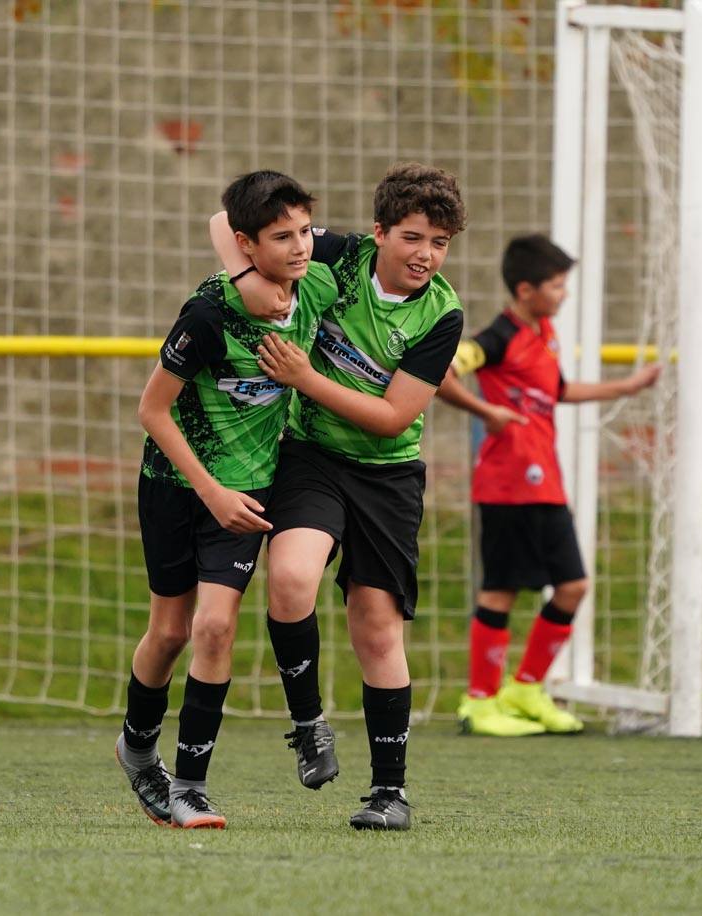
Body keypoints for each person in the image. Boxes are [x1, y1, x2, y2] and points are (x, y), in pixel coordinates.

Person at [210, 162, 466, 830]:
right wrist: (245, 280)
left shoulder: (443, 313)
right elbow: (225, 224)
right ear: (378, 232)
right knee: (290, 579)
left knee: (376, 628)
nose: (425, 255)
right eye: (413, 237)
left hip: (387, 473)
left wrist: (303, 375)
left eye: (439, 243)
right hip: (312, 457)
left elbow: (389, 417)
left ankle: (389, 793)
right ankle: (309, 725)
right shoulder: (340, 255)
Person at [116, 171, 336, 829]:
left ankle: (189, 786)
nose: (300, 247)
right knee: (169, 631)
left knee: (215, 627)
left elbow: (229, 222)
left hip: (249, 492)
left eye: (304, 232)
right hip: (176, 488)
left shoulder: (317, 283)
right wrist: (210, 492)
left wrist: (229, 495)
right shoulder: (210, 314)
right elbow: (151, 410)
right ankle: (135, 744)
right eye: (282, 237)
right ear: (248, 245)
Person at [435, 234, 660, 737]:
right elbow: (444, 373)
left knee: (574, 585)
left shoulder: (545, 332)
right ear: (525, 289)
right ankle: (479, 701)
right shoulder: (497, 337)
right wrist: (486, 410)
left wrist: (625, 386)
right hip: (507, 484)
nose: (563, 294)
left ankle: (526, 688)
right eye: (555, 286)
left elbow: (556, 390)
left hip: (546, 484)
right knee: (501, 591)